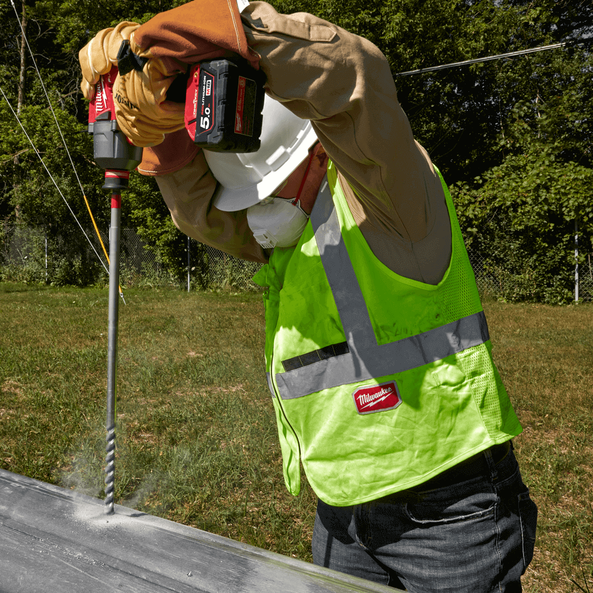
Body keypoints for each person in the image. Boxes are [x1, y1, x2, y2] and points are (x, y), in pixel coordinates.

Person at [79, 1, 538, 591]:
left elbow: (352, 79)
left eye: (268, 190)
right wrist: (163, 131)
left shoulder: (391, 201)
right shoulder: (289, 238)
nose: (259, 212)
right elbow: (199, 214)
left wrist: (210, 36)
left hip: (447, 512)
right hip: (341, 505)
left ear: (318, 148)